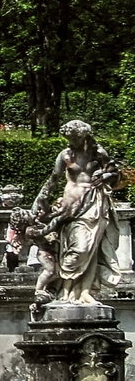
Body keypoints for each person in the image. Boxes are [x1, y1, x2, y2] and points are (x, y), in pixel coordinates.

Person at [24, 119, 123, 307]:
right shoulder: (65, 155)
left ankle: (85, 292)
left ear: (85, 135)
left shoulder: (98, 152)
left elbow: (115, 174)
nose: (73, 141)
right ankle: (67, 292)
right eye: (70, 138)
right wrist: (39, 200)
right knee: (75, 248)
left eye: (76, 137)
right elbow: (53, 179)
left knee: (90, 248)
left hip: (94, 203)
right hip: (70, 207)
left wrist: (103, 176)